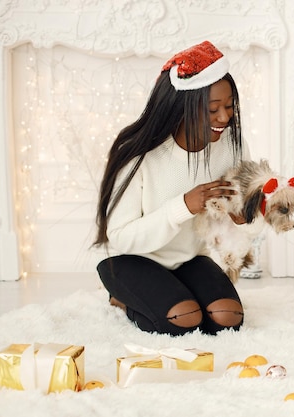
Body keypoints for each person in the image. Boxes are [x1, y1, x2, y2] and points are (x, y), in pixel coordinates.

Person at [93, 41, 249, 336]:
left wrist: (243, 215)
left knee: (226, 318)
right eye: (213, 109)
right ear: (182, 106)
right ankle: (123, 299)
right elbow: (121, 237)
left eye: (229, 107)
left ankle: (175, 292)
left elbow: (241, 207)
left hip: (189, 259)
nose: (225, 118)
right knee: (183, 320)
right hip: (133, 259)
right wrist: (184, 206)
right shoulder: (140, 155)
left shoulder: (230, 145)